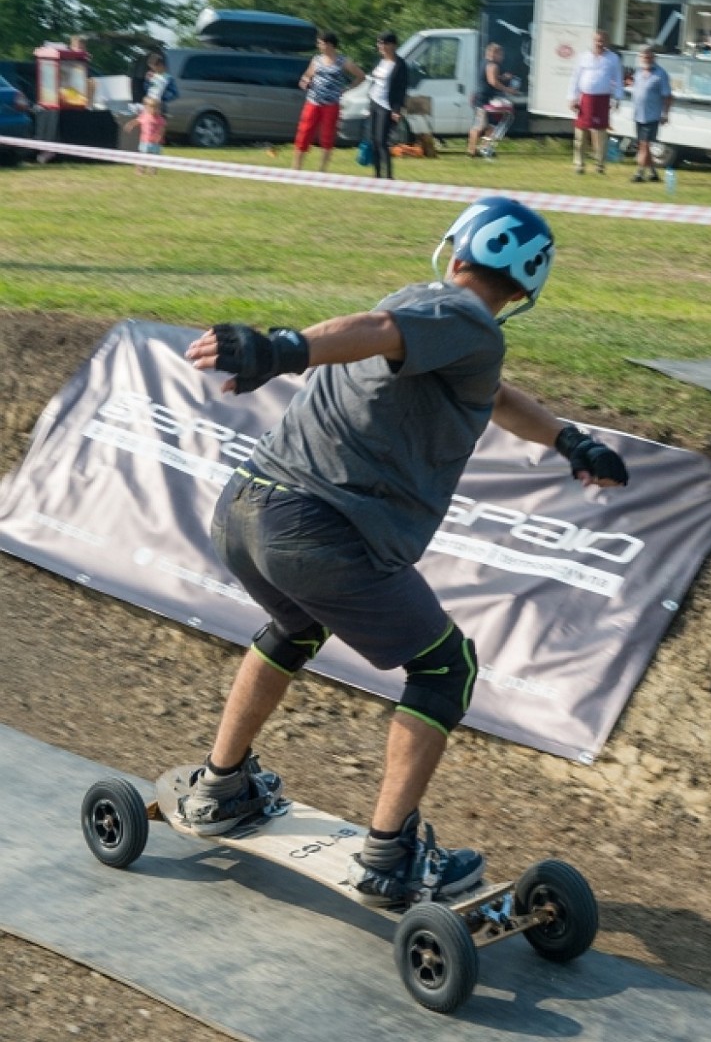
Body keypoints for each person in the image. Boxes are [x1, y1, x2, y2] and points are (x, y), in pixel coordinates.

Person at [182, 196, 629, 906]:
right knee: (446, 666)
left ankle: (220, 783)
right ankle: (389, 855)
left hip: (243, 508)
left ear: (455, 253)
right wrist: (281, 348)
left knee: (295, 627)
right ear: (525, 291)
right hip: (317, 531)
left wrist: (569, 439)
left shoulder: (442, 322)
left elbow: (489, 391)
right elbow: (383, 331)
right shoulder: (461, 323)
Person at [292, 31, 365, 172]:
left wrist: (347, 89)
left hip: (331, 103)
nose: (319, 45)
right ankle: (296, 167)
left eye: (321, 43)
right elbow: (307, 75)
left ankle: (322, 169)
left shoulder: (343, 61)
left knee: (327, 135)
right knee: (304, 132)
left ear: (330, 44)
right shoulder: (316, 60)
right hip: (313, 101)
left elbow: (361, 76)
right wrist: (305, 80)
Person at [569, 31, 624, 174]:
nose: (599, 44)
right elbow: (575, 78)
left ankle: (600, 165)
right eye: (597, 41)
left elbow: (618, 79)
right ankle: (579, 165)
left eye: (602, 41)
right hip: (585, 98)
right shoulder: (584, 57)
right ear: (592, 41)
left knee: (601, 135)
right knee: (580, 134)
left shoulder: (613, 58)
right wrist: (572, 97)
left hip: (602, 99)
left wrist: (617, 98)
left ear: (606, 42)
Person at [367, 31, 408, 180]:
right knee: (373, 141)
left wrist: (397, 109)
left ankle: (389, 175)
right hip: (374, 103)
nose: (381, 46)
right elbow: (374, 82)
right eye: (379, 43)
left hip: (387, 106)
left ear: (393, 45)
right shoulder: (379, 61)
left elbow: (401, 89)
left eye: (385, 43)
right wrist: (369, 103)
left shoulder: (400, 65)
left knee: (382, 141)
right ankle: (377, 174)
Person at [629, 46, 673, 184]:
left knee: (645, 145)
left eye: (648, 57)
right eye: (643, 57)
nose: (646, 59)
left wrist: (665, 113)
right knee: (643, 146)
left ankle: (639, 173)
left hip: (652, 115)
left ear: (654, 58)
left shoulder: (660, 74)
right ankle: (653, 173)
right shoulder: (638, 73)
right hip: (638, 115)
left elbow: (667, 96)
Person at [467, 43, 517, 156]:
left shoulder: (484, 63)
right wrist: (508, 90)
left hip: (483, 97)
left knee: (490, 126)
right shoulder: (492, 65)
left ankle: (485, 148)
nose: (502, 57)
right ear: (493, 53)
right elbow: (492, 82)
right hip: (483, 99)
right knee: (480, 125)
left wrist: (503, 77)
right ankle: (472, 150)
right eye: (500, 55)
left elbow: (491, 78)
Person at [124, 96, 166, 174]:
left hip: (155, 143)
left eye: (156, 108)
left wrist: (159, 136)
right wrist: (130, 125)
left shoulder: (160, 119)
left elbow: (162, 128)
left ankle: (153, 171)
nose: (154, 110)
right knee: (142, 156)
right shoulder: (144, 116)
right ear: (146, 108)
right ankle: (140, 170)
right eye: (151, 108)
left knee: (154, 157)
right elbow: (137, 121)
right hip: (144, 141)